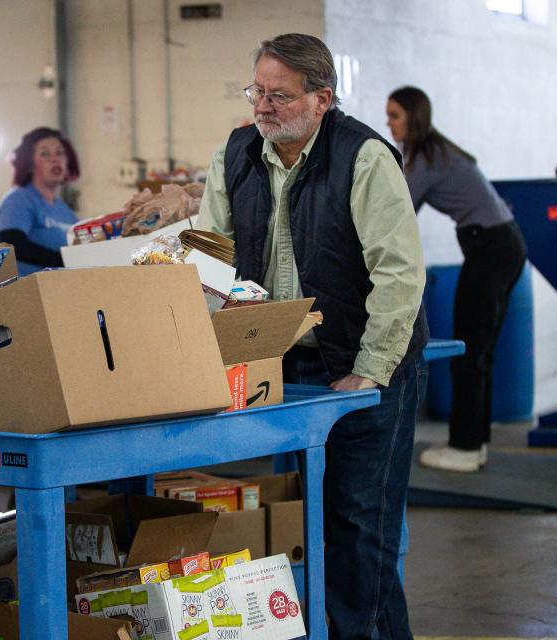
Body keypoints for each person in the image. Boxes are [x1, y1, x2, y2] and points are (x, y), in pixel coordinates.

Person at [197, 33, 428, 639]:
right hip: (282, 367)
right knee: (299, 524)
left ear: (322, 98)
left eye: (279, 95)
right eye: (257, 92)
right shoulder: (237, 154)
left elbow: (400, 273)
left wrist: (371, 370)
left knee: (360, 531)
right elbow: (211, 254)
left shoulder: (365, 157)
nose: (263, 107)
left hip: (363, 367)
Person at [386, 86, 527, 473]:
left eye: (395, 115)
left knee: (470, 351)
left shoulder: (425, 158)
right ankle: (474, 443)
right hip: (502, 245)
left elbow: (398, 208)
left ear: (413, 118)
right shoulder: (434, 151)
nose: (388, 122)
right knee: (479, 352)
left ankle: (464, 448)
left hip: (491, 250)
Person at [0, 127, 80, 275]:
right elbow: (11, 244)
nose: (55, 159)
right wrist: (65, 261)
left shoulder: (65, 211)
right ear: (29, 164)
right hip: (29, 292)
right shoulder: (19, 200)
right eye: (45, 154)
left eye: (60, 153)